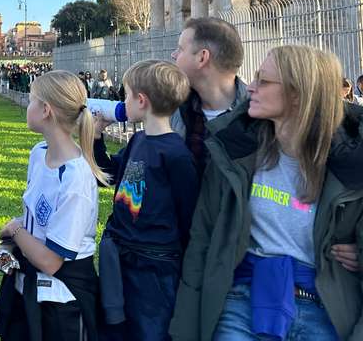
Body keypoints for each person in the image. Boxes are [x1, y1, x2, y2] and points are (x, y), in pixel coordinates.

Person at [170, 45, 363, 340]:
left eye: (264, 80)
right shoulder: (232, 151)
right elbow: (202, 241)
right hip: (241, 300)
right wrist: (186, 329)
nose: (251, 87)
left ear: (298, 94)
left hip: (325, 310)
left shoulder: (352, 164)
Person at [0, 70, 106, 341]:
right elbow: (35, 220)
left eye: (32, 100)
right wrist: (10, 245)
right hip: (25, 291)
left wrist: (15, 230)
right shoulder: (38, 153)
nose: (27, 105)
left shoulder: (75, 177)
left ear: (46, 110)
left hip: (60, 304)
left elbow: (51, 262)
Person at [94, 60, 197, 341]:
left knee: (149, 332)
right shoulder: (137, 141)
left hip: (154, 268)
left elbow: (187, 214)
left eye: (126, 95)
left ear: (141, 101)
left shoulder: (176, 154)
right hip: (121, 257)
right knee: (115, 330)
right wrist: (96, 136)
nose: (122, 102)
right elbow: (107, 175)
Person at [171, 17, 248, 177]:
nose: (173, 55)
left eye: (180, 49)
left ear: (202, 58)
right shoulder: (172, 107)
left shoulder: (257, 118)